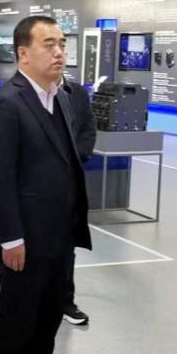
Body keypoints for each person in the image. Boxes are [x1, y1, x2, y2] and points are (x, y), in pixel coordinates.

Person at [0, 15, 92, 354]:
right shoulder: (6, 104)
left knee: (48, 316)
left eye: (62, 43)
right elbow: (0, 178)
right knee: (17, 319)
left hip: (60, 235)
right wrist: (11, 237)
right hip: (24, 238)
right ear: (23, 53)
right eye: (49, 44)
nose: (59, 52)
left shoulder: (62, 99)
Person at [59, 75, 96, 326]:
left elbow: (88, 129)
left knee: (66, 246)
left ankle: (66, 302)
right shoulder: (24, 95)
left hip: (69, 182)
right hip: (39, 187)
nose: (58, 56)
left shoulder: (77, 93)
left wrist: (75, 157)